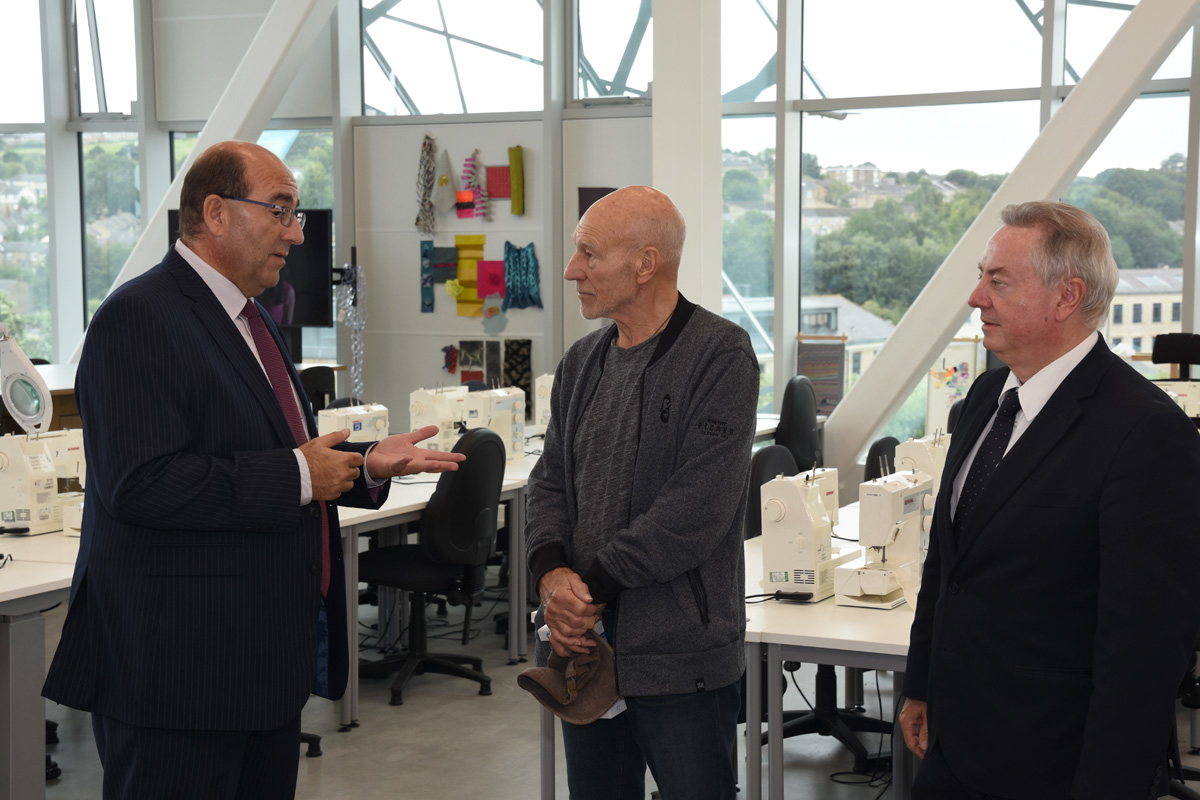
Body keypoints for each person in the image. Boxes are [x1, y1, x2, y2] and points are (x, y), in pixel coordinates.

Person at [42, 140, 464, 799]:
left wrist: (364, 464)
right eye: (280, 210)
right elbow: (142, 483)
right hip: (179, 676)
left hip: (257, 667)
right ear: (215, 213)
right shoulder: (138, 319)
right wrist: (301, 477)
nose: (296, 233)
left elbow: (270, 452)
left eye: (295, 214)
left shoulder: (251, 318)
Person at [900, 201, 1200, 800]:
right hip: (953, 747)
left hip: (1053, 764)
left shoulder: (1145, 433)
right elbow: (947, 562)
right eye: (981, 277)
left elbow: (1144, 648)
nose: (976, 297)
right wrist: (921, 683)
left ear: (1067, 297)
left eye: (998, 281)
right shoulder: (986, 396)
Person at [525, 185, 760, 799]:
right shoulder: (581, 363)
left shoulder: (721, 355)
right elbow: (549, 481)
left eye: (588, 254)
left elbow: (695, 510)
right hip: (586, 651)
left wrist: (590, 589)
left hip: (682, 659)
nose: (573, 270)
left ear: (645, 263)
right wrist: (552, 577)